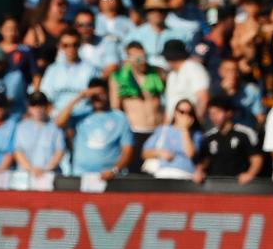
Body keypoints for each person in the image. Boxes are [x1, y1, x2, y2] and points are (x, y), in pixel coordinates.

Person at [56, 78, 132, 179]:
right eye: (94, 95)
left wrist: (114, 170)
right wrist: (80, 96)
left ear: (107, 93)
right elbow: (58, 122)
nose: (98, 98)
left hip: (110, 177)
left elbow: (127, 149)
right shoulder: (80, 115)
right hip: (80, 174)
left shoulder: (120, 118)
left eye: (101, 94)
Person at [109, 41, 165, 170]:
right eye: (138, 58)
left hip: (156, 130)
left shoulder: (156, 74)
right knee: (135, 170)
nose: (143, 61)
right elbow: (115, 108)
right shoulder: (119, 78)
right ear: (128, 58)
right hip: (135, 130)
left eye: (144, 57)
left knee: (156, 171)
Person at [193, 94, 263, 185]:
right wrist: (199, 171)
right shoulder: (208, 136)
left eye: (217, 112)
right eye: (211, 114)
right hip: (214, 187)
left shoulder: (246, 133)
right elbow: (204, 161)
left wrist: (249, 174)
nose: (213, 117)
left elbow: (257, 159)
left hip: (240, 187)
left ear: (229, 113)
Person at [40, 27, 98, 126]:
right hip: (57, 117)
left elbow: (96, 96)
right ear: (60, 46)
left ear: (80, 45)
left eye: (75, 45)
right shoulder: (53, 69)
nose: (71, 49)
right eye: (66, 45)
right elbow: (46, 97)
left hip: (84, 117)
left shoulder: (91, 69)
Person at [141, 99, 202, 179]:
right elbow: (145, 153)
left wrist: (184, 130)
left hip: (186, 174)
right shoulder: (163, 130)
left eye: (189, 113)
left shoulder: (196, 134)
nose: (185, 115)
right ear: (175, 113)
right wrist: (159, 153)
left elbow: (190, 154)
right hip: (164, 173)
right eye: (182, 112)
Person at [14, 90, 65, 176]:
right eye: (34, 105)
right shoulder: (21, 127)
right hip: (26, 176)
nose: (37, 109)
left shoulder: (55, 127)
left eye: (41, 105)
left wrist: (44, 170)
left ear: (47, 107)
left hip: (49, 176)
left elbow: (60, 151)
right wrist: (31, 169)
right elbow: (18, 152)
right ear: (29, 107)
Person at [162, 39, 209, 120]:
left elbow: (203, 98)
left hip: (190, 125)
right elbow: (170, 106)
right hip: (175, 126)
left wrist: (196, 122)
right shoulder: (172, 74)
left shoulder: (193, 68)